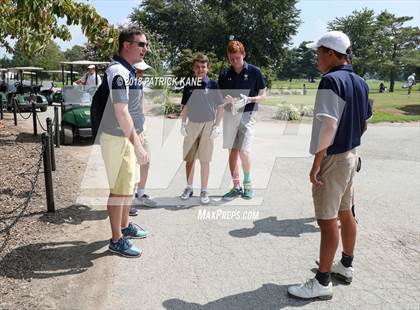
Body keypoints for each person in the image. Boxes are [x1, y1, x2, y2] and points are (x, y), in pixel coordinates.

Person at [288, 31, 372, 299]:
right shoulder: (360, 82)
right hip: (350, 155)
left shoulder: (330, 82)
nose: (317, 58)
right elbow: (365, 123)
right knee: (346, 213)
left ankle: (322, 282)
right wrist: (350, 140)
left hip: (333, 159)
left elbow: (329, 125)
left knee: (327, 221)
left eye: (319, 52)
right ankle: (345, 266)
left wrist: (317, 163)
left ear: (332, 54)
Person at [98, 26, 150, 258]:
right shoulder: (118, 72)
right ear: (126, 45)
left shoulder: (128, 71)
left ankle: (125, 225)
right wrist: (138, 145)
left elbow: (134, 107)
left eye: (146, 45)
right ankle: (116, 239)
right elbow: (121, 111)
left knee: (127, 186)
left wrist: (139, 134)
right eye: (141, 44)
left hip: (127, 137)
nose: (145, 49)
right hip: (117, 138)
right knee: (119, 191)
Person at [218, 40, 266, 200]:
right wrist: (226, 100)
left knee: (244, 151)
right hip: (230, 115)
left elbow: (263, 96)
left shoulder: (255, 72)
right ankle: (236, 186)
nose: (235, 62)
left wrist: (250, 99)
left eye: (237, 58)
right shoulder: (225, 74)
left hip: (247, 115)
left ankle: (248, 184)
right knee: (233, 152)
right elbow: (219, 98)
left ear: (243, 55)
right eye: (231, 59)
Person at [179, 54, 224, 204]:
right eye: (198, 67)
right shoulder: (189, 85)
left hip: (208, 126)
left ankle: (204, 190)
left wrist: (217, 126)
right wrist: (183, 123)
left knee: (205, 160)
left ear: (208, 68)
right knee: (190, 159)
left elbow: (220, 107)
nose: (200, 69)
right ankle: (189, 187)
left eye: (203, 67)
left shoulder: (213, 84)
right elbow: (185, 106)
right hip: (192, 125)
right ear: (194, 68)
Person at [129, 60, 157, 216]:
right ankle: (129, 198)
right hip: (129, 130)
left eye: (142, 72)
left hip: (141, 128)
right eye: (138, 71)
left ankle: (140, 193)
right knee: (131, 165)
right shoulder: (125, 85)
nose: (141, 74)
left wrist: (143, 127)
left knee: (146, 159)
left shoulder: (139, 84)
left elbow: (140, 107)